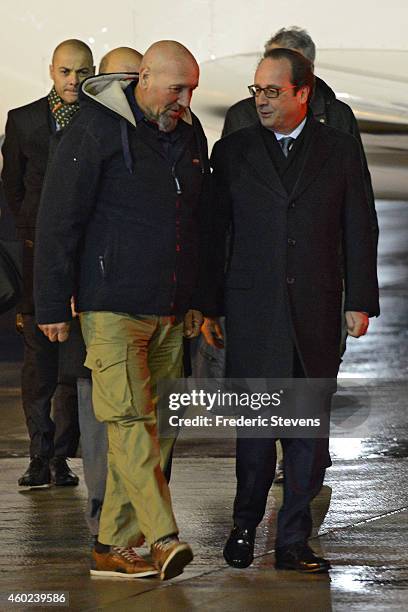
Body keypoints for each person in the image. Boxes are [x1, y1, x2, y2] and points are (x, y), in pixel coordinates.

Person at [34, 40, 211, 580]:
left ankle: (112, 544)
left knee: (160, 428)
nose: (184, 101)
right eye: (177, 89)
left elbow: (199, 223)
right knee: (129, 420)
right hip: (110, 309)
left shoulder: (188, 134)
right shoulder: (94, 129)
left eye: (191, 91)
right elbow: (57, 220)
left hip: (169, 312)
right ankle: (162, 536)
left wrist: (200, 301)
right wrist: (50, 302)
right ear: (145, 78)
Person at [209, 48, 379, 573]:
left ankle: (292, 541)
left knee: (308, 436)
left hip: (314, 308)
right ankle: (244, 526)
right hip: (254, 311)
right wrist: (209, 306)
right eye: (256, 90)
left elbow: (359, 225)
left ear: (303, 93)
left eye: (272, 91)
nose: (260, 100)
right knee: (257, 434)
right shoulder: (234, 152)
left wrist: (360, 300)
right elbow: (215, 235)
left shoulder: (339, 149)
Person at [1, 39, 95, 488]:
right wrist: (33, 231)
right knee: (40, 366)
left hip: (85, 261)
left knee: (74, 369)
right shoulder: (23, 120)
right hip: (39, 259)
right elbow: (12, 188)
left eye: (80, 71)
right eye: (65, 72)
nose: (73, 80)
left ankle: (60, 458)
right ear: (51, 71)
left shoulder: (101, 118)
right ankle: (39, 455)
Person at [75, 45, 144, 543]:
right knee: (108, 410)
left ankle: (130, 515)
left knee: (143, 416)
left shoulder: (167, 131)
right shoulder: (89, 132)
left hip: (153, 304)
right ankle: (108, 506)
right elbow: (60, 220)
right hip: (100, 297)